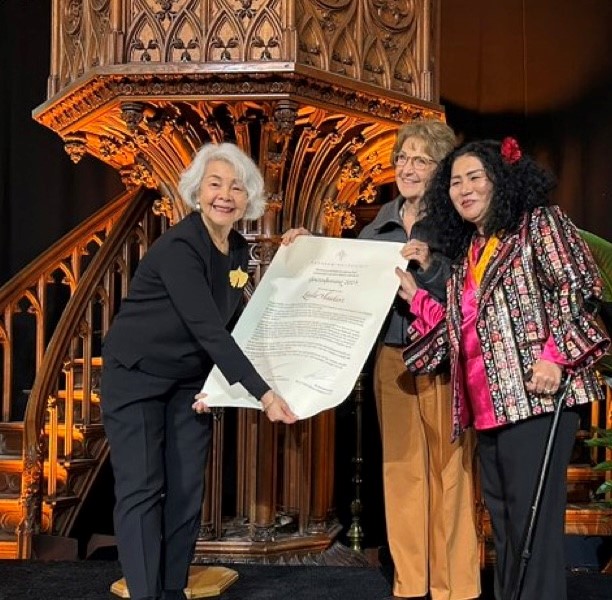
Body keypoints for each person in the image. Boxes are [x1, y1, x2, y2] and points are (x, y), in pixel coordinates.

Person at [398, 137, 610, 600]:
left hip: (537, 399)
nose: (464, 189)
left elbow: (578, 286)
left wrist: (555, 356)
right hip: (488, 410)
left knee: (533, 527)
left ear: (500, 180)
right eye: (455, 182)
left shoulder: (538, 224)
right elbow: (460, 330)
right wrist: (418, 300)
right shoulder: (471, 251)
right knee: (507, 527)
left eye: (475, 177)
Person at [283, 119, 481, 600]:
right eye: (402, 158)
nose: (407, 168)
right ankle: (411, 584)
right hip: (393, 359)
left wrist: (430, 265)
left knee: (451, 470)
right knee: (401, 469)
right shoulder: (378, 225)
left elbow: (472, 289)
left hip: (444, 357)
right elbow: (344, 273)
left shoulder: (456, 221)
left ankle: (455, 586)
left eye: (421, 160)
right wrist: (308, 246)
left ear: (440, 169)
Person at [101, 142, 297, 600]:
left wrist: (296, 249)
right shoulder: (179, 246)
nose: (225, 195)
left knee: (187, 490)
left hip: (189, 383)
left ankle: (172, 591)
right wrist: (264, 394)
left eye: (237, 187)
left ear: (248, 198)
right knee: (142, 488)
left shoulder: (238, 249)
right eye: (215, 184)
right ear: (197, 191)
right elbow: (209, 328)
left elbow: (238, 320)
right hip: (136, 375)